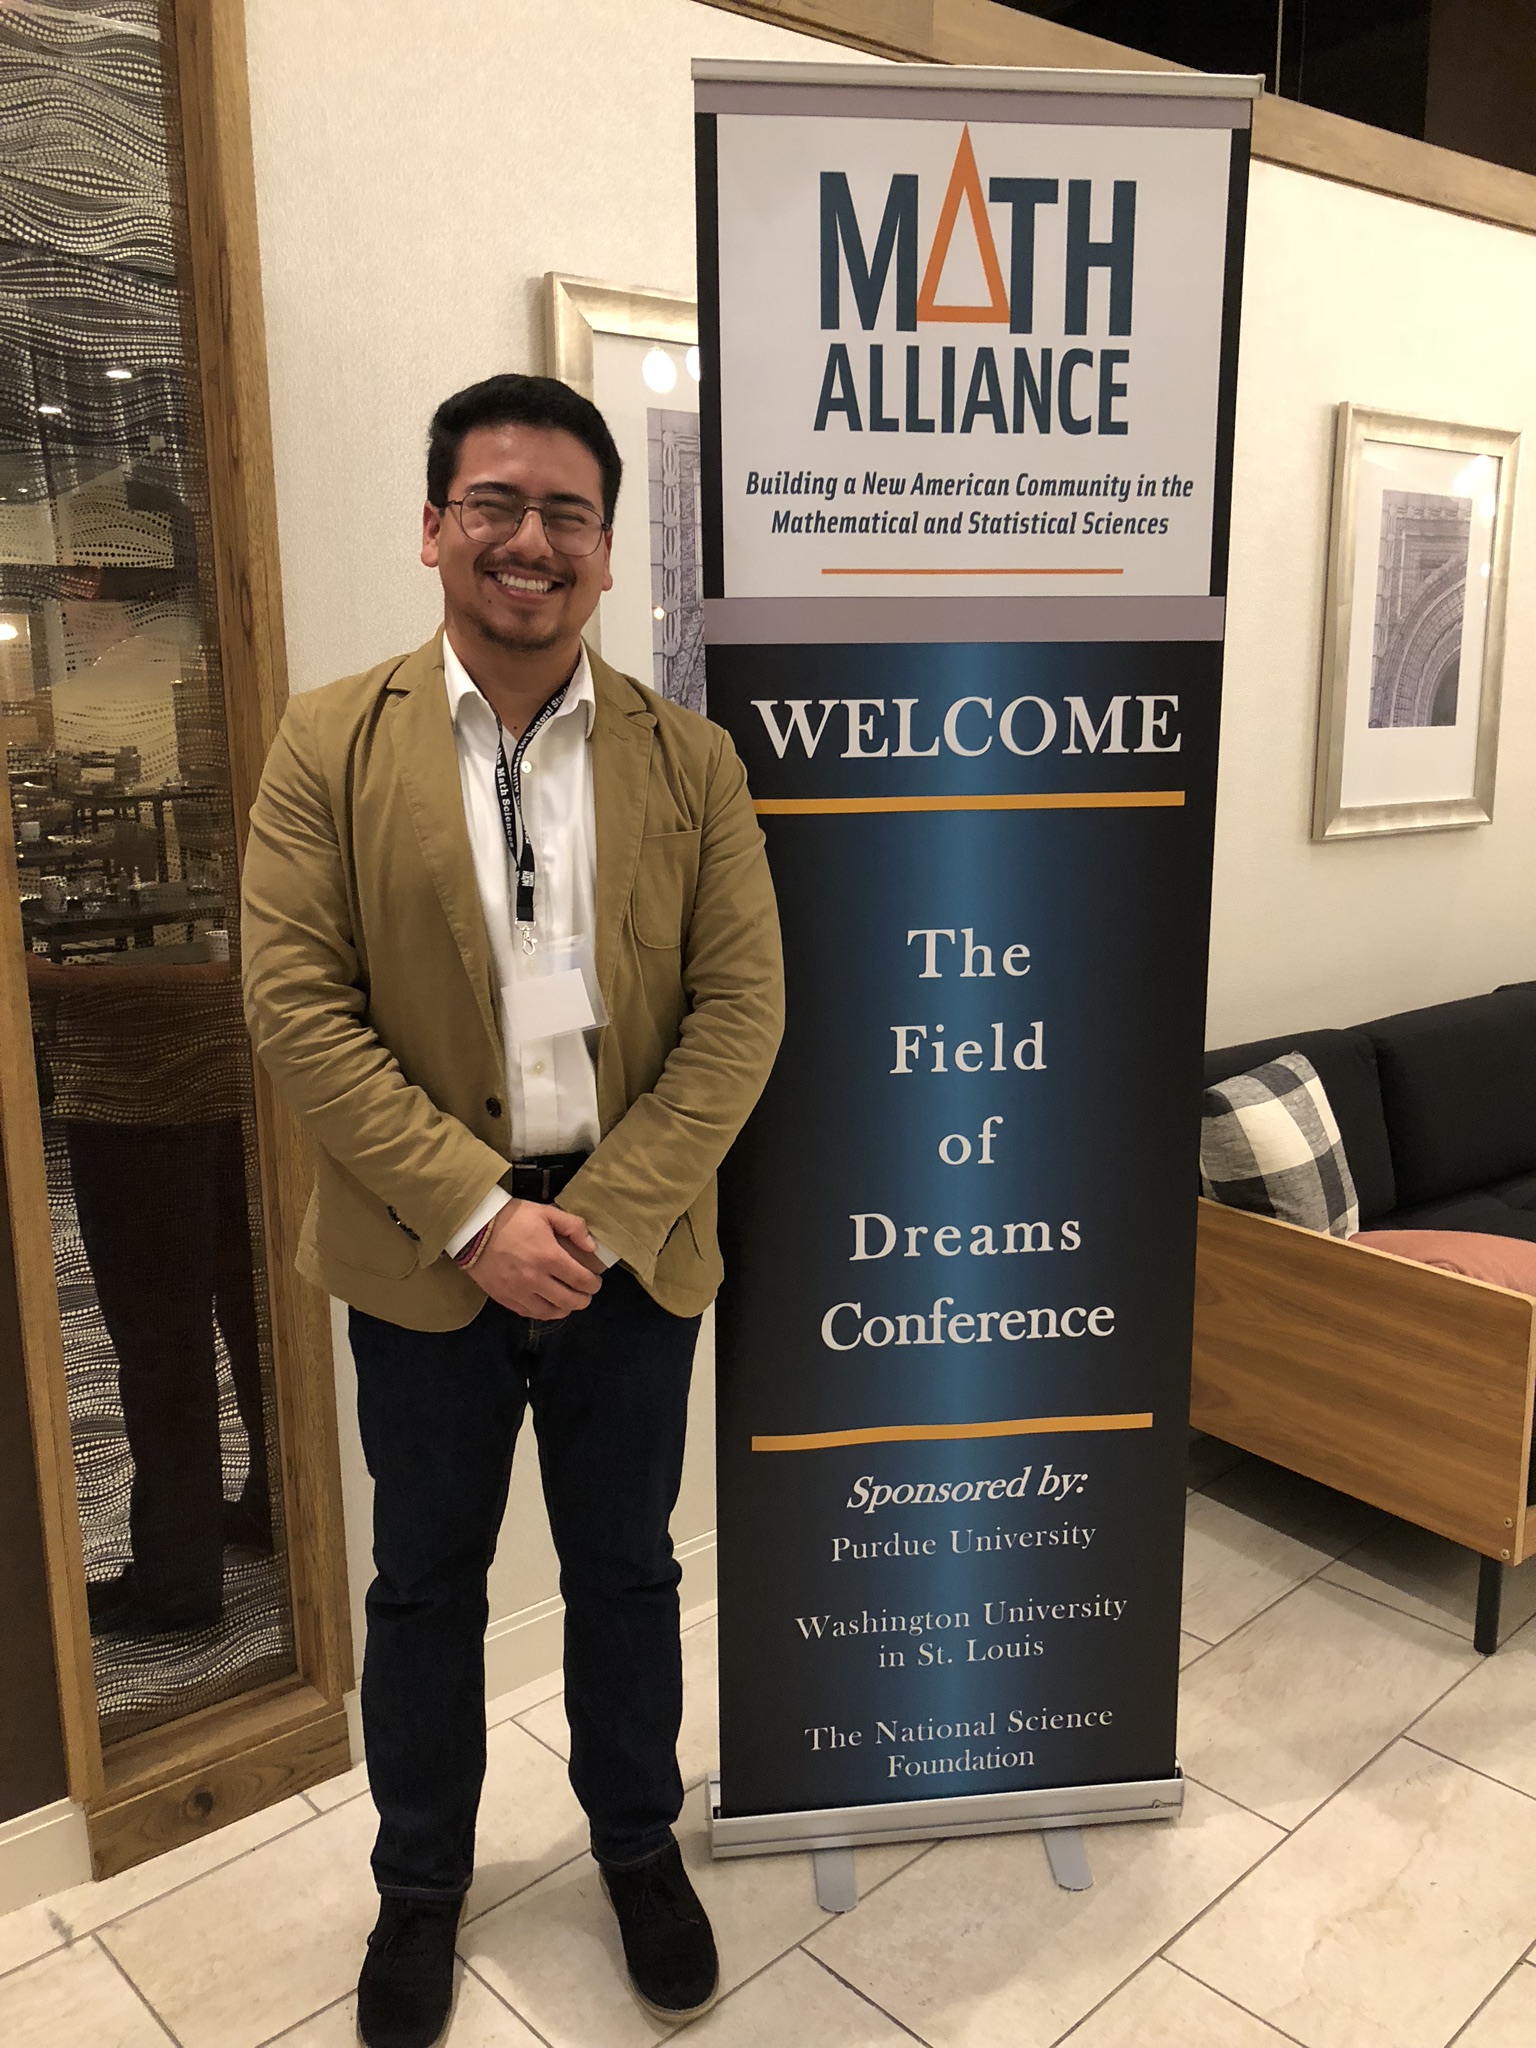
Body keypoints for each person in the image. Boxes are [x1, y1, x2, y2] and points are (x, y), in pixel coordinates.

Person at [240, 372, 783, 2048]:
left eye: (566, 514)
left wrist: (599, 1219)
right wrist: (478, 1215)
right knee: (424, 1586)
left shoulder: (692, 766)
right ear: (433, 528)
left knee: (626, 1574)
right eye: (495, 504)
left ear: (609, 554)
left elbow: (740, 1011)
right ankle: (421, 1886)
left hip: (631, 1252)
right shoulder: (329, 742)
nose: (528, 540)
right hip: (424, 1259)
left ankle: (635, 1846)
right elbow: (293, 1002)